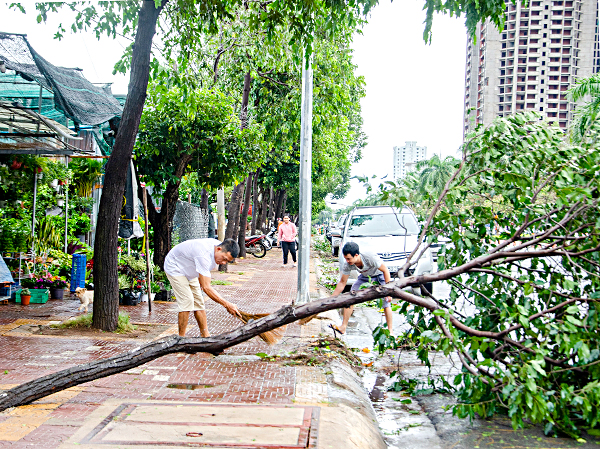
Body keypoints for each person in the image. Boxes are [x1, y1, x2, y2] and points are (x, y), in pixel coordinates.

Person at [164, 238, 241, 337]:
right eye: (224, 259)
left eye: (227, 261)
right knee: (187, 301)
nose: (223, 263)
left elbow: (205, 282)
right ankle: (180, 339)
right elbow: (207, 288)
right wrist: (227, 304)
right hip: (175, 267)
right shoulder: (204, 254)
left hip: (191, 269)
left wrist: (203, 282)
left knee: (199, 302)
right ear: (218, 249)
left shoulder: (220, 247)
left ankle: (205, 335)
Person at [330, 242, 393, 335]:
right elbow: (342, 282)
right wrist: (332, 298)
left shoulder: (369, 257)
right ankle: (343, 327)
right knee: (350, 297)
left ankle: (390, 331)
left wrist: (388, 291)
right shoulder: (348, 264)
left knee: (386, 302)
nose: (347, 261)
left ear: (356, 255)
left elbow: (385, 270)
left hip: (379, 275)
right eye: (345, 259)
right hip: (364, 277)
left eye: (349, 259)